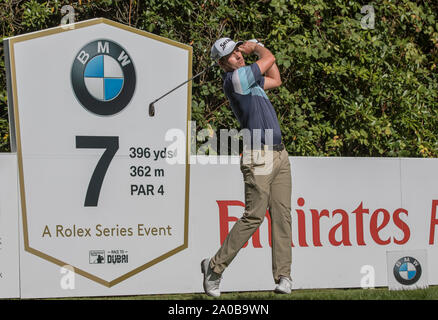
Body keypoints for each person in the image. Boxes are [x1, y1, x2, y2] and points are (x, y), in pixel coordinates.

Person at [201, 37, 292, 297]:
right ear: (222, 63)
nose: (238, 56)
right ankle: (214, 269)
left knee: (283, 216)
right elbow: (270, 59)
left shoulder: (249, 78)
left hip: (279, 153)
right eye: (231, 54)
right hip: (258, 154)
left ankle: (284, 276)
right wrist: (257, 46)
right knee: (253, 216)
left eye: (237, 51)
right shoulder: (236, 80)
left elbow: (275, 79)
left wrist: (255, 49)